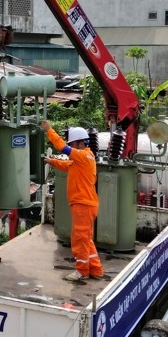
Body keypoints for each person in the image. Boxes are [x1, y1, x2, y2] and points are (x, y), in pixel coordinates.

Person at [40, 120, 104, 281]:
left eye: (73, 143)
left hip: (83, 204)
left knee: (79, 239)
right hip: (86, 204)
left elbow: (62, 148)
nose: (72, 147)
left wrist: (49, 131)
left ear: (81, 142)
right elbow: (67, 165)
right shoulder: (82, 160)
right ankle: (95, 269)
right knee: (86, 239)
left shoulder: (83, 155)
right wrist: (50, 161)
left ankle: (82, 271)